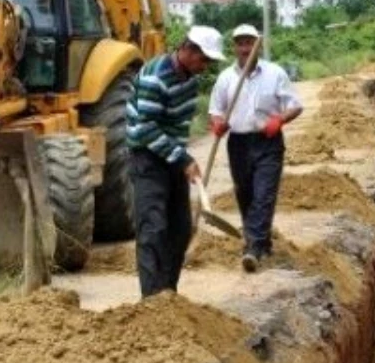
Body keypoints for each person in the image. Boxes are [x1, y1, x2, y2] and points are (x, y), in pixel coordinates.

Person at [127, 25, 225, 297]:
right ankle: (152, 300)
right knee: (153, 229)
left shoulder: (190, 82)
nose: (205, 66)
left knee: (180, 229)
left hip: (170, 156)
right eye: (203, 59)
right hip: (147, 157)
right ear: (187, 49)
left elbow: (179, 126)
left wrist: (182, 161)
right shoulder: (155, 77)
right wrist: (182, 159)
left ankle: (168, 293)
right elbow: (146, 128)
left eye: (210, 61)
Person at [208, 24, 304, 272]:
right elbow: (216, 111)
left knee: (264, 194)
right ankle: (261, 240)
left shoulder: (275, 73)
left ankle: (252, 248)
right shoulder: (225, 78)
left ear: (256, 45)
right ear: (234, 47)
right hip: (238, 144)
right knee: (245, 194)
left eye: (249, 42)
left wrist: (279, 120)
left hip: (267, 141)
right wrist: (218, 124)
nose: (245, 48)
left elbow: (295, 105)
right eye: (240, 43)